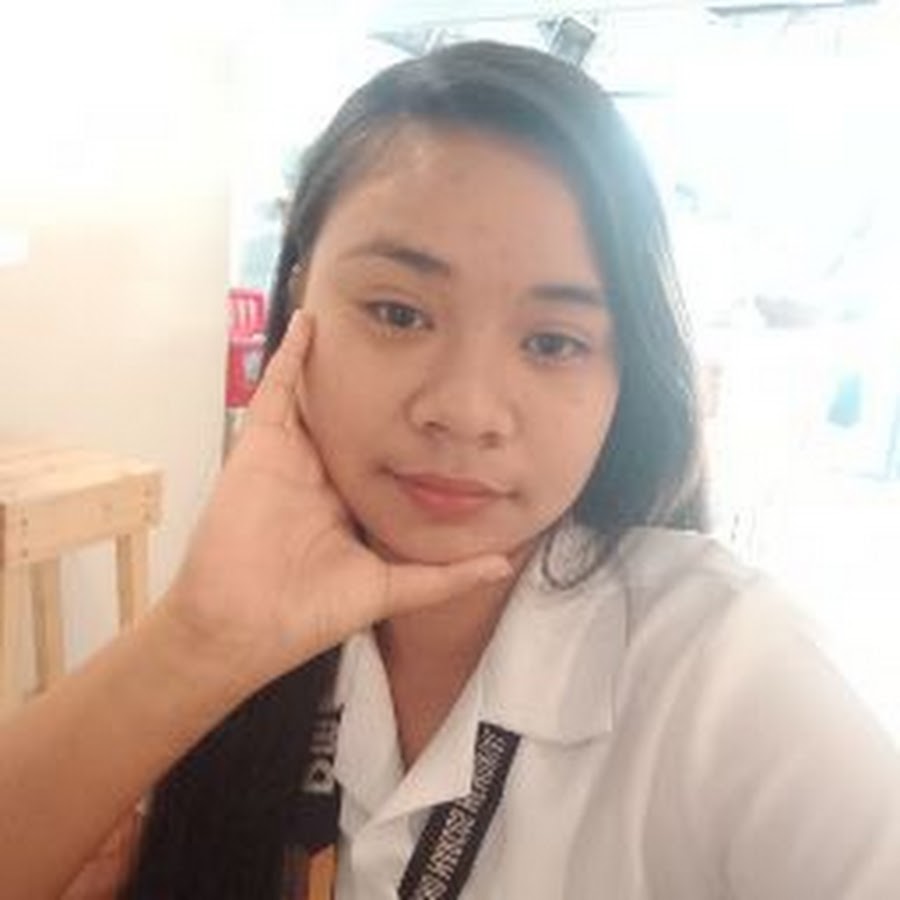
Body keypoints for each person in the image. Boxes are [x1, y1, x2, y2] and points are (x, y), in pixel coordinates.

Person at [1, 41, 898, 900]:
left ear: (627, 373)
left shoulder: (724, 669)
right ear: (300, 297)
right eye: (398, 313)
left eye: (554, 342)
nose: (466, 409)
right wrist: (197, 641)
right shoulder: (249, 612)